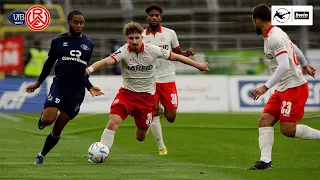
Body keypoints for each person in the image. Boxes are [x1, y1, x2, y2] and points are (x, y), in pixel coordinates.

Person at [86, 22, 208, 159]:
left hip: (146, 99)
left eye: (137, 38)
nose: (134, 41)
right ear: (127, 39)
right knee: (113, 122)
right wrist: (89, 70)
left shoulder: (153, 50)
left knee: (141, 137)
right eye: (131, 38)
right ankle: (100, 154)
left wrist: (198, 65)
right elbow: (105, 61)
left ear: (142, 38)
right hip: (126, 95)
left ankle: (144, 120)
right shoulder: (123, 51)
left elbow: (177, 56)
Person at [25, 10, 104, 164]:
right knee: (48, 120)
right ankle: (43, 118)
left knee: (58, 127)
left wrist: (89, 86)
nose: (79, 25)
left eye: (82, 23)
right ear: (69, 23)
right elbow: (49, 63)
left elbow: (81, 70)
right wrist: (38, 83)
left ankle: (41, 155)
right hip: (60, 85)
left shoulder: (89, 44)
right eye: (76, 22)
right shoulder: (58, 41)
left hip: (77, 91)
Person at [247, 4, 318, 170]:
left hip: (294, 88)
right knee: (265, 121)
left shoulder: (275, 37)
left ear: (257, 21)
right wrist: (305, 64)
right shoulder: (275, 34)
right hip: (282, 88)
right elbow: (294, 48)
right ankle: (265, 161)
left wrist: (265, 87)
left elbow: (284, 66)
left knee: (287, 129)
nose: (253, 24)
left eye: (253, 21)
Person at [142, 4, 196, 155]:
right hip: (149, 79)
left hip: (167, 78)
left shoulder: (170, 33)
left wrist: (187, 53)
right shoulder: (141, 35)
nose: (154, 17)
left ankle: (161, 108)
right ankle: (161, 147)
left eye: (156, 15)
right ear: (147, 17)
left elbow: (178, 53)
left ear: (160, 17)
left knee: (171, 117)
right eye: (151, 15)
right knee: (153, 113)